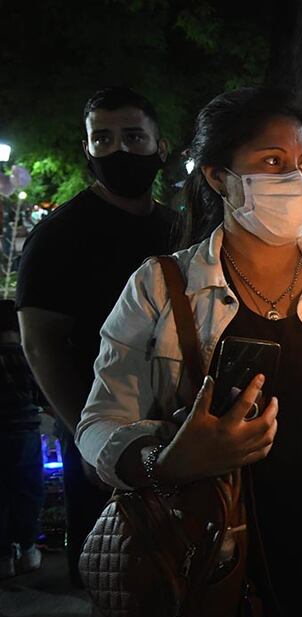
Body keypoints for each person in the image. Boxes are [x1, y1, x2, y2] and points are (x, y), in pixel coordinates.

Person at [75, 87, 302, 617]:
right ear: (218, 177)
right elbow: (97, 425)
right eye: (272, 162)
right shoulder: (161, 287)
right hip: (222, 558)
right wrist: (168, 459)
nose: (298, 180)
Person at [15, 86, 176, 587]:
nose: (118, 151)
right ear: (87, 151)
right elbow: (40, 344)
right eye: (102, 139)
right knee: (113, 577)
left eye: (132, 136)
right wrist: (87, 436)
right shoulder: (59, 235)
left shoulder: (178, 228)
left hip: (172, 424)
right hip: (95, 426)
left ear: (159, 146)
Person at [0, 299, 44, 579]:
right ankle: (28, 550)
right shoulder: (26, 353)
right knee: (28, 491)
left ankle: (4, 557)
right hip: (25, 430)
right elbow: (40, 393)